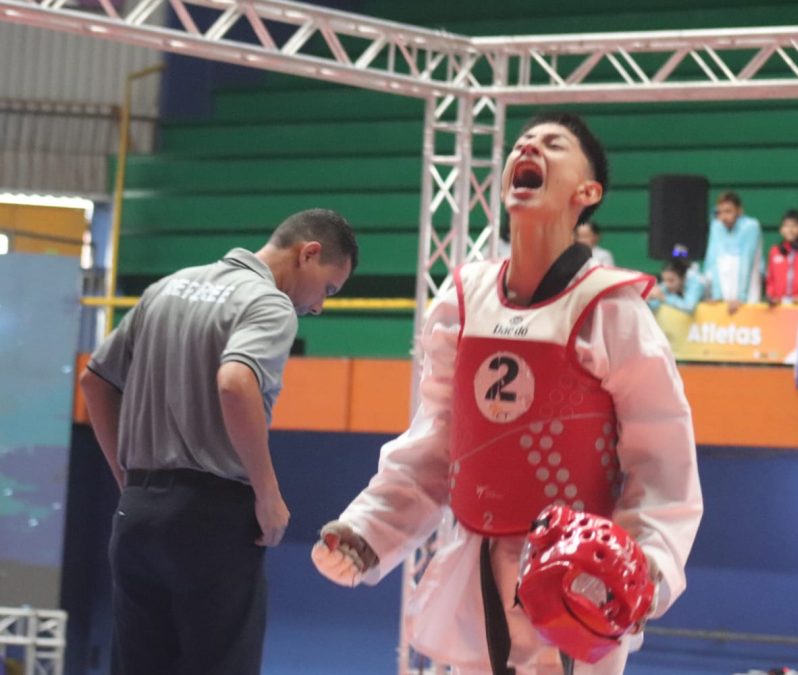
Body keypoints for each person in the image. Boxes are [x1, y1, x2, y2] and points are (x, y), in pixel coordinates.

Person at [311, 113, 703, 675]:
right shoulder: (463, 297)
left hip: (579, 587)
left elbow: (663, 463)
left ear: (586, 192)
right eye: (523, 141)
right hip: (475, 572)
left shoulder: (611, 309)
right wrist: (370, 528)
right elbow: (438, 440)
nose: (528, 145)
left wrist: (645, 569)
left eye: (552, 144)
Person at [79, 209, 358, 675]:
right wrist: (267, 494)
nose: (318, 306)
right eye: (327, 289)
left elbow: (94, 382)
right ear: (308, 253)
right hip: (211, 523)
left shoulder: (166, 288)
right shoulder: (268, 303)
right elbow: (234, 382)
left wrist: (127, 479)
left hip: (136, 517)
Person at [703, 190, 762, 314]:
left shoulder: (751, 226)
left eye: (728, 211)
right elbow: (712, 260)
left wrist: (741, 298)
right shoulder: (716, 226)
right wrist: (715, 295)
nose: (723, 216)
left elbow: (747, 261)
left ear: (739, 211)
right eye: (720, 212)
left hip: (747, 299)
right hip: (722, 299)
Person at [764, 209, 798, 305]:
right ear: (781, 230)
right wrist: (771, 296)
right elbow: (770, 279)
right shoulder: (775, 251)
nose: (790, 230)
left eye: (794, 226)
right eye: (786, 226)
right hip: (779, 305)